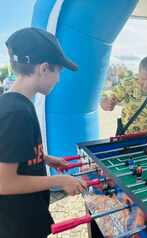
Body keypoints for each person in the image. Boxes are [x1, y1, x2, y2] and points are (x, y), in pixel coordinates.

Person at [0, 27, 87, 238]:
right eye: (59, 72)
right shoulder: (16, 113)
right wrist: (60, 180)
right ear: (44, 68)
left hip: (27, 216)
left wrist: (46, 159)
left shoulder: (14, 102)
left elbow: (10, 152)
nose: (58, 79)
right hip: (18, 226)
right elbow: (4, 182)